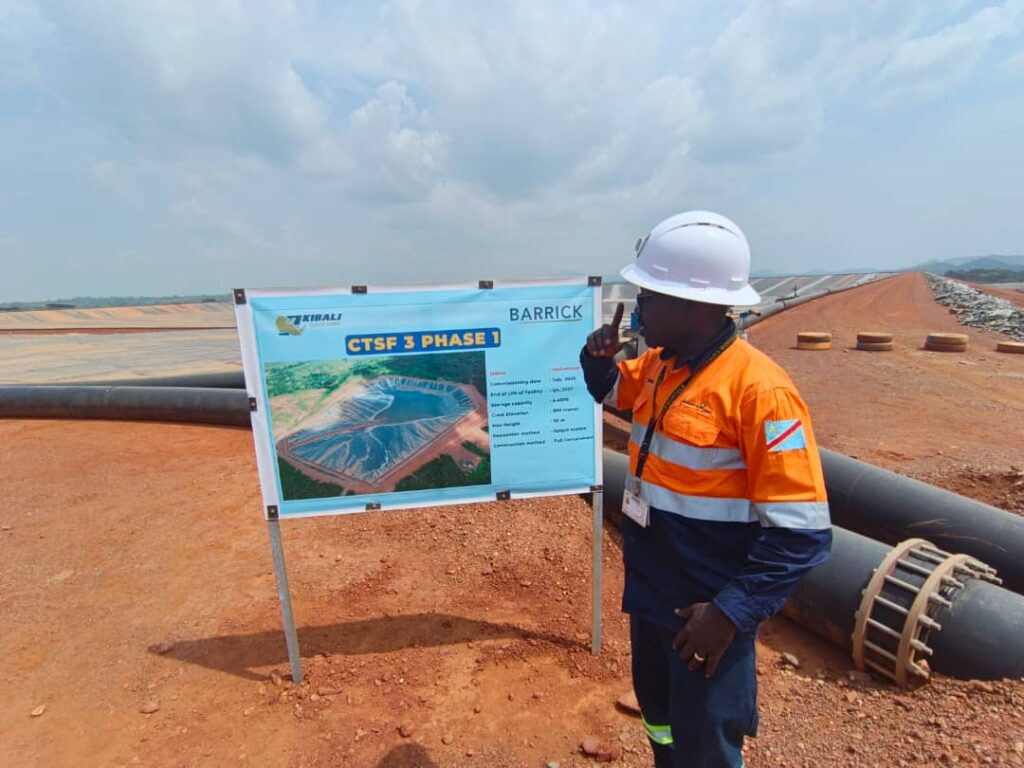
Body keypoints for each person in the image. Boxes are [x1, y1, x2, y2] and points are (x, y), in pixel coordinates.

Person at [581, 211, 831, 768]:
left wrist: (729, 614)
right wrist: (596, 361)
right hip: (653, 592)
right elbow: (614, 392)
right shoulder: (661, 365)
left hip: (705, 615)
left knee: (705, 747)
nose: (639, 307)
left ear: (693, 305)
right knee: (661, 723)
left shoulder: (761, 393)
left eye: (649, 296)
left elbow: (802, 534)